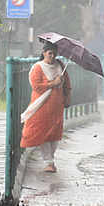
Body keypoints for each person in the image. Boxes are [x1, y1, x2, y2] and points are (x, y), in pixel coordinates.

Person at [20, 41, 71, 173]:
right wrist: (53, 83)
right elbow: (36, 86)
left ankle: (50, 160)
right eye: (50, 53)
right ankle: (49, 162)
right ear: (43, 53)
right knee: (42, 132)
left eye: (54, 53)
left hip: (57, 106)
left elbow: (67, 85)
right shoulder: (37, 68)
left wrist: (67, 98)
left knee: (54, 134)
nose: (52, 56)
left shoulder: (60, 65)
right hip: (42, 106)